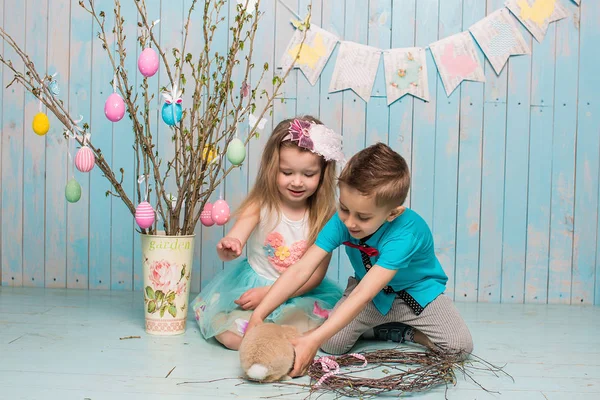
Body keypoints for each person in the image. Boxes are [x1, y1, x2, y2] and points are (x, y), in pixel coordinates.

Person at [247, 142, 473, 375]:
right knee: (332, 344)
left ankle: (406, 330)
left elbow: (363, 294)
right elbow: (300, 269)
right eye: (344, 209)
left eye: (363, 217)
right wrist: (259, 314)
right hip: (372, 298)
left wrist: (311, 340)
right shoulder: (342, 220)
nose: (350, 222)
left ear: (392, 213)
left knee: (459, 348)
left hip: (415, 294)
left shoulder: (406, 233)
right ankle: (385, 329)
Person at [191, 116, 345, 350]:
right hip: (253, 286)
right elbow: (236, 238)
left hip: (300, 292)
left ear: (323, 173)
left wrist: (271, 293)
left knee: (326, 328)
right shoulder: (262, 203)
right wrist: (230, 245)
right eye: (287, 172)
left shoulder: (324, 216)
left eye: (308, 174)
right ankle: (272, 337)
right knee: (231, 335)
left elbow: (314, 276)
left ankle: (279, 338)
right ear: (273, 168)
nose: (297, 182)